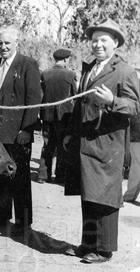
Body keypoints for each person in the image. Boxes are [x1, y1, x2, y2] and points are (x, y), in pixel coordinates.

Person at [63, 18, 139, 263]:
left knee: (105, 196)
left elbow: (135, 107)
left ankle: (104, 249)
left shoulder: (124, 70)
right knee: (89, 193)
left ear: (115, 43)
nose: (97, 45)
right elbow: (79, 104)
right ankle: (88, 245)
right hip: (85, 141)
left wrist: (112, 102)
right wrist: (70, 133)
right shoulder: (88, 69)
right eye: (94, 40)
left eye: (103, 40)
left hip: (108, 144)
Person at [0, 25, 42, 236]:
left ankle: (24, 222)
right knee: (0, 174)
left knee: (20, 178)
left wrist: (27, 130)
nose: (3, 47)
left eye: (7, 43)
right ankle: (1, 214)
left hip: (18, 133)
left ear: (16, 44)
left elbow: (34, 100)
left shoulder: (28, 64)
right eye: (0, 43)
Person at [36, 49, 76, 184]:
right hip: (64, 117)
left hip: (47, 116)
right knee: (62, 146)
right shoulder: (70, 75)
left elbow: (40, 97)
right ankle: (60, 177)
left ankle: (42, 175)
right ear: (65, 59)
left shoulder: (45, 74)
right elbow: (75, 95)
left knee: (47, 145)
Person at [124, 112, 140, 203]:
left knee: (136, 167)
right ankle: (130, 195)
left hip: (137, 136)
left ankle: (130, 195)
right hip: (137, 136)